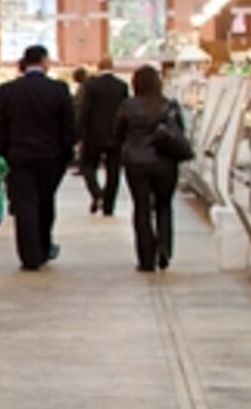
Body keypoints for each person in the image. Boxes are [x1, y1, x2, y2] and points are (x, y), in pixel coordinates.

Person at [0, 44, 78, 270]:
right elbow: (69, 125)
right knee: (46, 201)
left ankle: (29, 255)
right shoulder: (58, 89)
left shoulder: (9, 91)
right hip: (51, 156)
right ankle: (43, 245)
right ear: (43, 61)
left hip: (18, 156)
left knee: (25, 204)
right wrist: (67, 153)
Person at [114, 64, 185, 273]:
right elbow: (180, 132)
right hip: (165, 163)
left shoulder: (128, 106)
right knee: (164, 205)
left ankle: (146, 258)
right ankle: (164, 247)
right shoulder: (169, 105)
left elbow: (116, 133)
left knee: (141, 208)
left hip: (136, 163)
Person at [77, 59, 131, 216]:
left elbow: (84, 110)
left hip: (93, 134)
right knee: (113, 171)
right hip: (116, 135)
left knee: (88, 166)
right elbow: (125, 110)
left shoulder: (91, 85)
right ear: (112, 67)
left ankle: (97, 192)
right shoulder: (122, 86)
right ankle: (109, 206)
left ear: (98, 68)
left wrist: (79, 132)